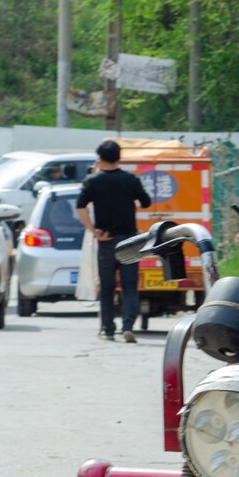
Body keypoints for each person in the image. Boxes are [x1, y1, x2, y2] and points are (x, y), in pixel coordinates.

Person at [76, 139, 151, 342]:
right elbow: (146, 202)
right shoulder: (130, 180)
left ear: (100, 158)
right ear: (119, 158)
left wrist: (94, 230)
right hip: (129, 241)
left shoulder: (92, 181)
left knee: (107, 288)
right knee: (130, 287)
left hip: (106, 240)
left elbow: (80, 207)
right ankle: (127, 327)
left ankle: (108, 329)